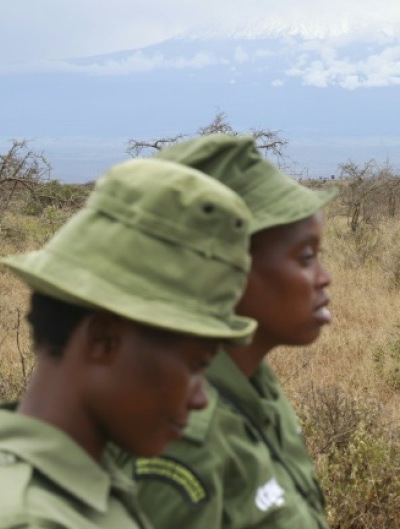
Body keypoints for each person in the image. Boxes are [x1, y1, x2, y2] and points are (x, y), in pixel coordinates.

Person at [0, 157, 257, 529]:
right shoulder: (25, 519)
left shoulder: (79, 495)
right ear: (104, 339)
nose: (200, 397)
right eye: (196, 364)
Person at [122, 135, 337, 529]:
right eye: (305, 257)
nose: (324, 278)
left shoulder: (254, 383)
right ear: (224, 270)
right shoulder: (180, 440)